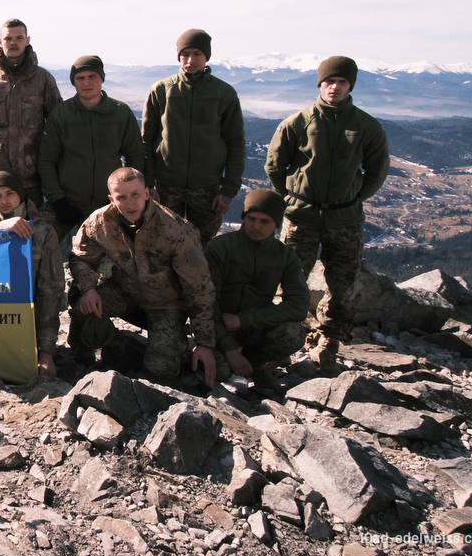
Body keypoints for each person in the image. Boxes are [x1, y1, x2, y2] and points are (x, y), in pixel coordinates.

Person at [265, 56, 389, 373]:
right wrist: (292, 197)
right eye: (329, 81)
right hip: (301, 217)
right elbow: (275, 166)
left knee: (342, 285)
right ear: (320, 84)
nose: (334, 87)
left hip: (344, 219)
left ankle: (328, 343)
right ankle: (279, 344)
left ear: (351, 86)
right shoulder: (298, 122)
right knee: (288, 282)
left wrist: (352, 197)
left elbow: (377, 171)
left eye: (341, 82)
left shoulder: (366, 127)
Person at [67, 167, 219, 388]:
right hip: (125, 292)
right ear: (111, 199)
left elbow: (199, 286)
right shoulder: (99, 222)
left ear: (147, 193)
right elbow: (80, 257)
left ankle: (145, 348)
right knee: (83, 306)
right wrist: (89, 289)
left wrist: (204, 343)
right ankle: (83, 358)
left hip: (165, 304)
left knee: (161, 370)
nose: (130, 203)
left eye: (136, 194)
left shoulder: (175, 230)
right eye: (121, 197)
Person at [141, 29, 245, 243]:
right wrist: (148, 183)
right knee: (163, 243)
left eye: (197, 54)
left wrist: (228, 190)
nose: (190, 60)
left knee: (202, 245)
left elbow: (235, 143)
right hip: (166, 186)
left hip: (207, 189)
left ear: (207, 56)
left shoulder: (223, 93)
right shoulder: (162, 90)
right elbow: (146, 140)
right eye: (185, 54)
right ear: (178, 56)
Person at [206, 189, 309, 386]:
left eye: (264, 221)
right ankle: (235, 362)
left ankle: (255, 364)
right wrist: (229, 348)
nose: (255, 226)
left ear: (276, 224)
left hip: (255, 327)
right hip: (219, 326)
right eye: (251, 219)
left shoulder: (285, 256)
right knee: (219, 371)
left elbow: (299, 306)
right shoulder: (220, 248)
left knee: (293, 334)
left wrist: (244, 320)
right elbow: (206, 301)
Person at [39, 55, 144, 235]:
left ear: (101, 78)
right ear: (74, 82)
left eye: (92, 76)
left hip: (110, 204)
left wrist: (129, 195)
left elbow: (135, 156)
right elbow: (46, 160)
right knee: (39, 241)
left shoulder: (120, 113)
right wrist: (58, 200)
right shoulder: (61, 114)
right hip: (67, 202)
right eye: (80, 78)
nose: (86, 82)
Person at [0, 19, 61, 206]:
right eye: (8, 38)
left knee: (33, 223)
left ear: (27, 40)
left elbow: (57, 125)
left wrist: (54, 168)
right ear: (0, 41)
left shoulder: (43, 79)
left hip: (31, 174)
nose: (13, 43)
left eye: (19, 38)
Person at [0, 171, 63, 377]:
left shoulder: (43, 232)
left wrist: (46, 353)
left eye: (10, 193)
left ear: (21, 195)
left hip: (27, 321)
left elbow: (51, 292)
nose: (4, 201)